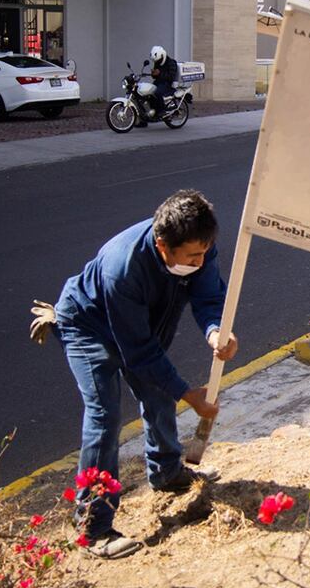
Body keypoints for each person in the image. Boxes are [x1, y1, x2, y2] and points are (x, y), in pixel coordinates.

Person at [29, 190, 238, 559]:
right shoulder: (121, 267)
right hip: (87, 327)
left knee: (158, 394)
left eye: (204, 252)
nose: (200, 260)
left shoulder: (199, 245)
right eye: (192, 255)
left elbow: (209, 298)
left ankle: (167, 473)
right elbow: (139, 352)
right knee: (104, 415)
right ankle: (93, 527)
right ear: (162, 246)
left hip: (138, 326)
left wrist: (216, 331)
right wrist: (189, 394)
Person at [147, 44, 178, 120]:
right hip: (159, 82)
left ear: (162, 56)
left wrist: (159, 73)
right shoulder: (157, 62)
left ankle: (161, 111)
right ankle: (153, 111)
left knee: (158, 93)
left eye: (158, 60)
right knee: (148, 92)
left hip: (167, 84)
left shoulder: (171, 63)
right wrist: (153, 74)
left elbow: (171, 77)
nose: (157, 62)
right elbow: (156, 75)